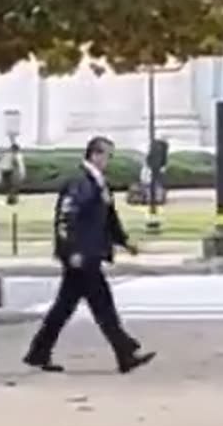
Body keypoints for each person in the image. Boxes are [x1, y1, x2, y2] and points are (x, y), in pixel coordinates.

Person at [24, 136, 156, 374]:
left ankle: (39, 351)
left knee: (65, 307)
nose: (109, 161)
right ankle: (125, 352)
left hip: (89, 254)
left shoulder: (96, 183)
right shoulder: (80, 182)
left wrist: (124, 242)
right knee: (102, 305)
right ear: (95, 155)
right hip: (82, 256)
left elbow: (108, 218)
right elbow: (66, 218)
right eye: (107, 155)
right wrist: (70, 251)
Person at [0, 139, 26, 205]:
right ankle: (11, 199)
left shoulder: (12, 155)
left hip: (7, 171)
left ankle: (11, 199)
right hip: (8, 171)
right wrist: (22, 173)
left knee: (10, 186)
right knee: (11, 186)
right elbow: (20, 165)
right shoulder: (15, 155)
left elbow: (1, 165)